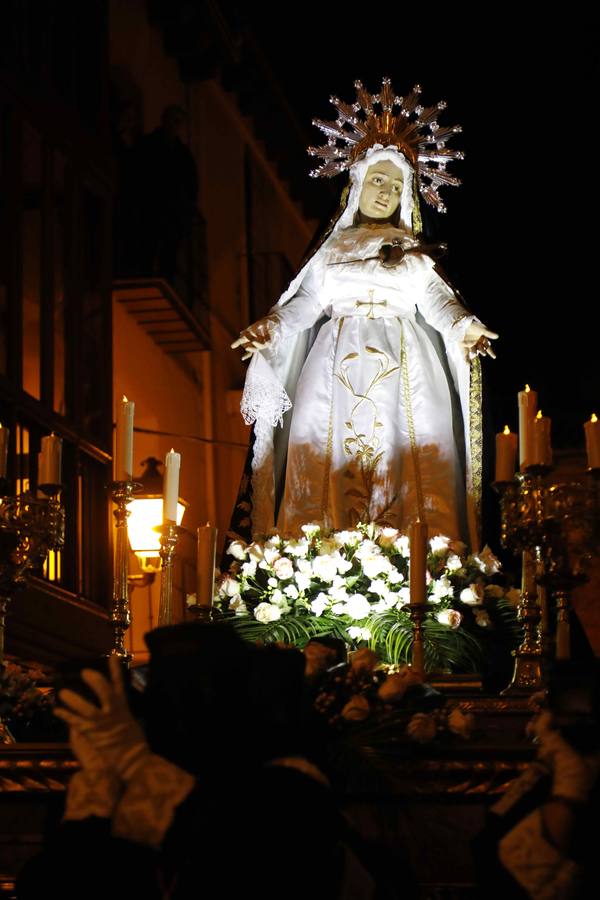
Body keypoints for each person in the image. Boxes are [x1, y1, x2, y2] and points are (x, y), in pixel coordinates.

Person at [231, 79, 497, 549]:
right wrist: (269, 328)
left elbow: (436, 299)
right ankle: (320, 555)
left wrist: (465, 325)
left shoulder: (414, 250)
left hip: (404, 361)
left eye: (395, 186)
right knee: (325, 452)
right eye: (377, 179)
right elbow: (305, 304)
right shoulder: (333, 249)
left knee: (408, 454)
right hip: (337, 358)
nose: (385, 192)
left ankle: (421, 557)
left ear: (406, 195)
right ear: (356, 185)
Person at [17, 625, 382, 899]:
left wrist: (133, 763)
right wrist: (98, 790)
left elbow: (243, 859)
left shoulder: (288, 786)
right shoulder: (118, 780)